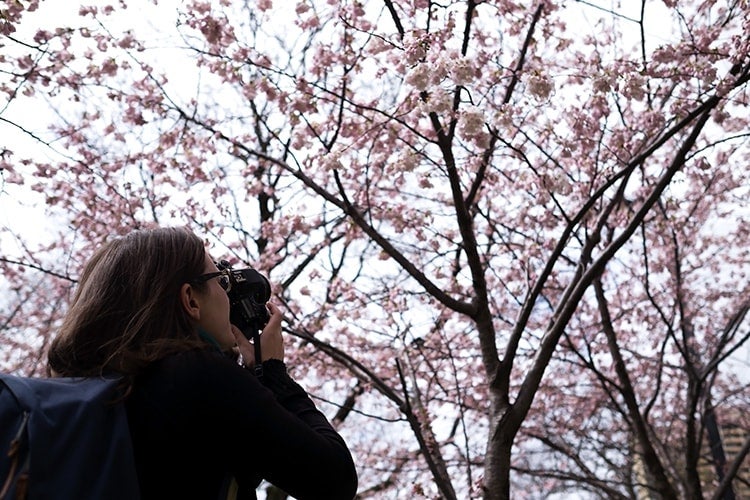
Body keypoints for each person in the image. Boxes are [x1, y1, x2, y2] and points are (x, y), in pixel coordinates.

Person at [47, 226, 358, 499]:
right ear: (191, 300)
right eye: (221, 282)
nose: (227, 295)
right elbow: (334, 481)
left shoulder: (93, 396)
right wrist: (274, 373)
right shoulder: (197, 374)